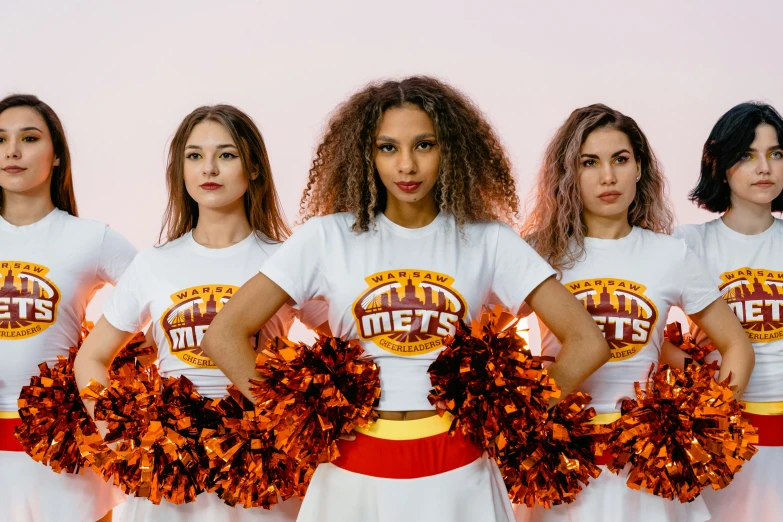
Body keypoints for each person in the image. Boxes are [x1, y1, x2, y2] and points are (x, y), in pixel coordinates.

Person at [200, 76, 610, 522]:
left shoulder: (489, 241)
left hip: (458, 469)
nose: (407, 165)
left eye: (424, 145)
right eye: (388, 147)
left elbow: (587, 341)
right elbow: (224, 334)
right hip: (350, 471)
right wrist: (295, 418)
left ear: (450, 150)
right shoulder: (326, 237)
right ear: (365, 155)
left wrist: (511, 418)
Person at [74, 104, 326, 522]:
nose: (209, 167)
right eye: (194, 156)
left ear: (255, 168)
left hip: (259, 478)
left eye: (226, 155)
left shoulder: (285, 259)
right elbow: (92, 357)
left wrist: (295, 421)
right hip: (170, 483)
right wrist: (119, 438)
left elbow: (346, 343)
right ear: (181, 171)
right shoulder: (154, 264)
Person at [516, 103, 754, 522]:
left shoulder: (669, 254)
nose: (608, 177)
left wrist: (701, 425)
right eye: (590, 163)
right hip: (564, 465)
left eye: (620, 160)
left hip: (646, 466)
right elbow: (481, 333)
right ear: (569, 174)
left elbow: (736, 345)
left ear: (640, 168)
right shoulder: (539, 252)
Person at [0, 94, 136, 522]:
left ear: (57, 155)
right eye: (0, 139)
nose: (13, 151)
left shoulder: (91, 238)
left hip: (66, 460)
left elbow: (161, 297)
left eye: (30, 138)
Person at [674, 101, 783, 522]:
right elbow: (649, 342)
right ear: (719, 165)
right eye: (747, 154)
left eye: (775, 154)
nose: (765, 168)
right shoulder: (687, 242)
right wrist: (688, 365)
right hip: (722, 440)